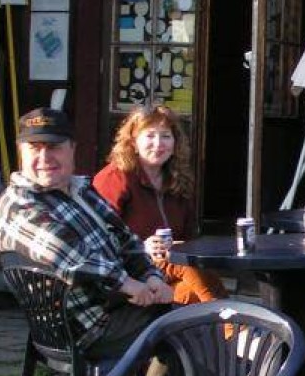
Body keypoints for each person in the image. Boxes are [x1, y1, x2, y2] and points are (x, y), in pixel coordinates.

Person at [0, 107, 177, 376]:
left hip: (114, 309)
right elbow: (69, 256)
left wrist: (150, 275)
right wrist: (128, 285)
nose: (44, 158)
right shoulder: (18, 203)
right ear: (21, 152)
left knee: (188, 319)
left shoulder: (81, 190)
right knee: (187, 328)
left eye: (54, 147)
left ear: (72, 149)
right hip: (82, 327)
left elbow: (125, 238)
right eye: (35, 148)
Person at [93, 105, 227, 305]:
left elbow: (190, 236)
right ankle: (232, 320)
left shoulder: (177, 179)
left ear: (175, 143)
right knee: (189, 263)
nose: (158, 144)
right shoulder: (115, 177)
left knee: (193, 290)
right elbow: (97, 237)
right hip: (130, 271)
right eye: (150, 136)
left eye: (165, 136)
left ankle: (222, 317)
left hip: (167, 273)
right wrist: (141, 247)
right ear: (133, 142)